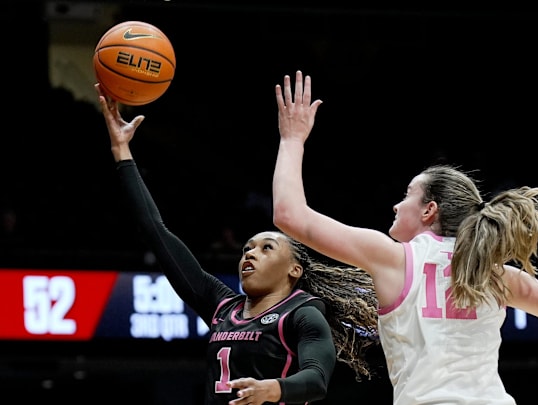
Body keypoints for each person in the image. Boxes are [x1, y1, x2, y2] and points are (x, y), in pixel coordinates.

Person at [270, 71, 538, 404]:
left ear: (430, 211)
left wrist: (293, 139)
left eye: (406, 196)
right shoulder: (498, 276)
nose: (395, 205)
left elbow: (290, 215)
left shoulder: (393, 259)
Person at [94, 83, 379, 405]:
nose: (250, 254)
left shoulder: (302, 314)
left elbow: (315, 379)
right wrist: (122, 151)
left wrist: (273, 388)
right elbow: (156, 232)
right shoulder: (221, 307)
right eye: (247, 248)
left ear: (294, 270)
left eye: (266, 247)